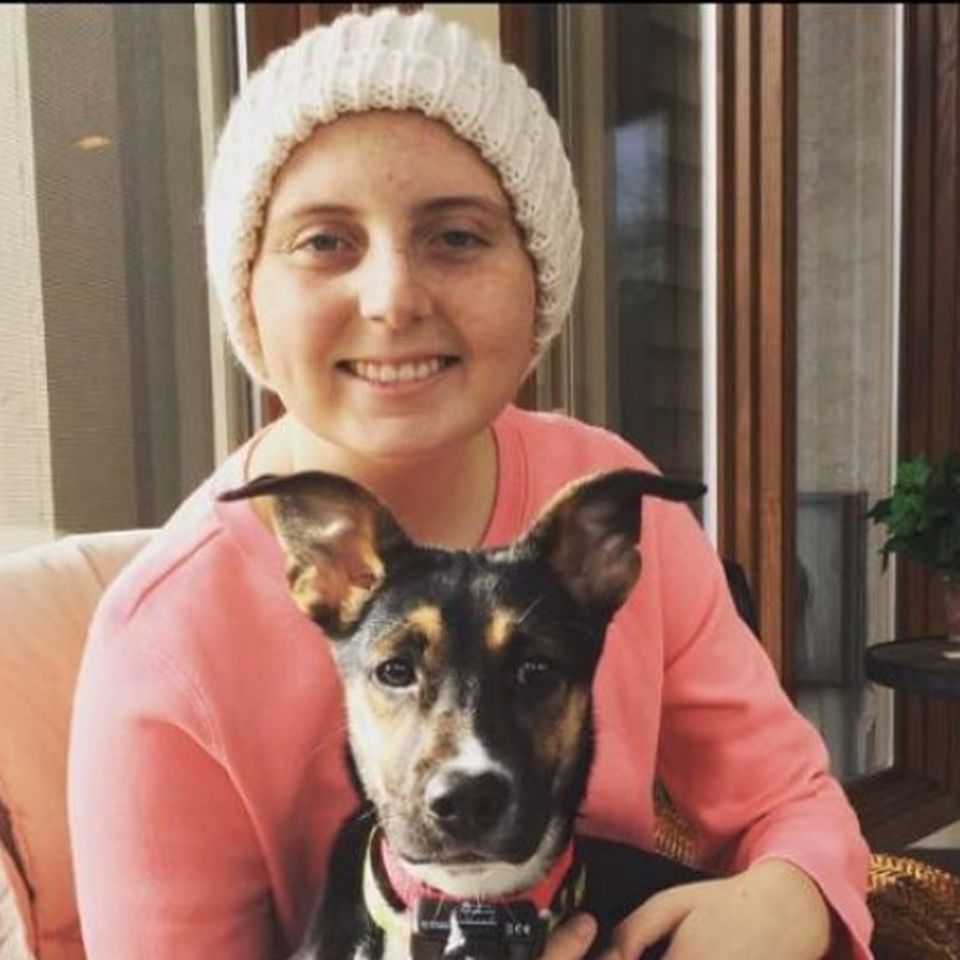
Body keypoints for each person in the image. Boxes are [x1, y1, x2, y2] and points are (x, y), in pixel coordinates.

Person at [67, 8, 874, 960]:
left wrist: (793, 896)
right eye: (324, 241)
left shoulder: (599, 496)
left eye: (456, 236)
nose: (393, 299)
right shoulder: (161, 638)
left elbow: (786, 800)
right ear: (248, 289)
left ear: (539, 277)